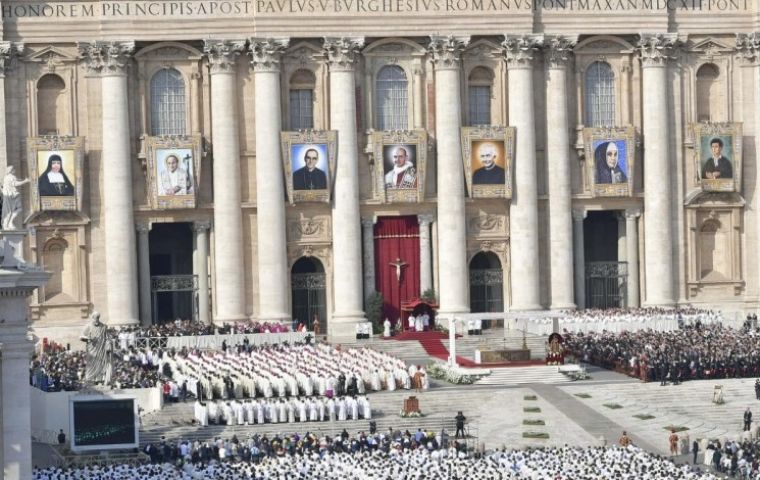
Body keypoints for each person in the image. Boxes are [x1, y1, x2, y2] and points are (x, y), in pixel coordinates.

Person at [79, 311, 111, 384]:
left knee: (101, 363)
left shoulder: (103, 326)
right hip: (92, 349)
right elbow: (81, 336)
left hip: (101, 349)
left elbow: (107, 337)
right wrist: (88, 338)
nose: (97, 319)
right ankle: (90, 379)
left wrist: (108, 342)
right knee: (91, 364)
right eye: (95, 318)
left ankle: (99, 380)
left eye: (98, 318)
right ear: (92, 317)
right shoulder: (88, 326)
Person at [1, 166, 30, 230]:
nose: (15, 170)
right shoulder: (10, 177)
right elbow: (15, 184)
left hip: (12, 195)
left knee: (16, 209)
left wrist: (23, 180)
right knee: (10, 210)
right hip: (11, 195)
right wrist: (25, 181)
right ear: (10, 170)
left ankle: (10, 222)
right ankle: (7, 224)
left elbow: (15, 181)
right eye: (13, 169)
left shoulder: (8, 177)